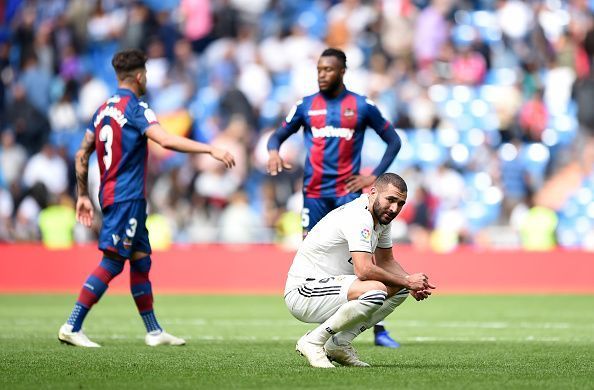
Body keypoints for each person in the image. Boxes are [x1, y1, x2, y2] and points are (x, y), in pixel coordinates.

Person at [58, 49, 235, 347]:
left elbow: (81, 153)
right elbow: (164, 140)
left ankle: (154, 331)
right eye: (147, 75)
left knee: (141, 261)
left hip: (119, 196)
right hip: (126, 196)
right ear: (140, 76)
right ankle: (72, 324)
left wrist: (82, 196)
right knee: (113, 262)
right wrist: (210, 149)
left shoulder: (102, 109)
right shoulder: (136, 107)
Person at [267, 48, 403, 347]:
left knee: (358, 258)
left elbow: (394, 140)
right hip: (314, 194)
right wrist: (274, 151)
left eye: (328, 69)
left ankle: (376, 328)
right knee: (315, 256)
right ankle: (326, 326)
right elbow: (276, 136)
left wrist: (375, 178)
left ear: (342, 71)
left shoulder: (362, 106)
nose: (322, 74)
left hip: (346, 194)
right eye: (319, 69)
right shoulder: (305, 106)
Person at [284, 173, 436, 368]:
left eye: (400, 203)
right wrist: (407, 280)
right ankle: (313, 341)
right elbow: (363, 270)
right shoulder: (358, 216)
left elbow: (386, 261)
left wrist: (407, 282)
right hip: (304, 291)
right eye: (390, 200)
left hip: (335, 289)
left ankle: (338, 344)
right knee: (376, 290)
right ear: (373, 192)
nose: (394, 208)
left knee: (400, 288)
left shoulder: (381, 218)